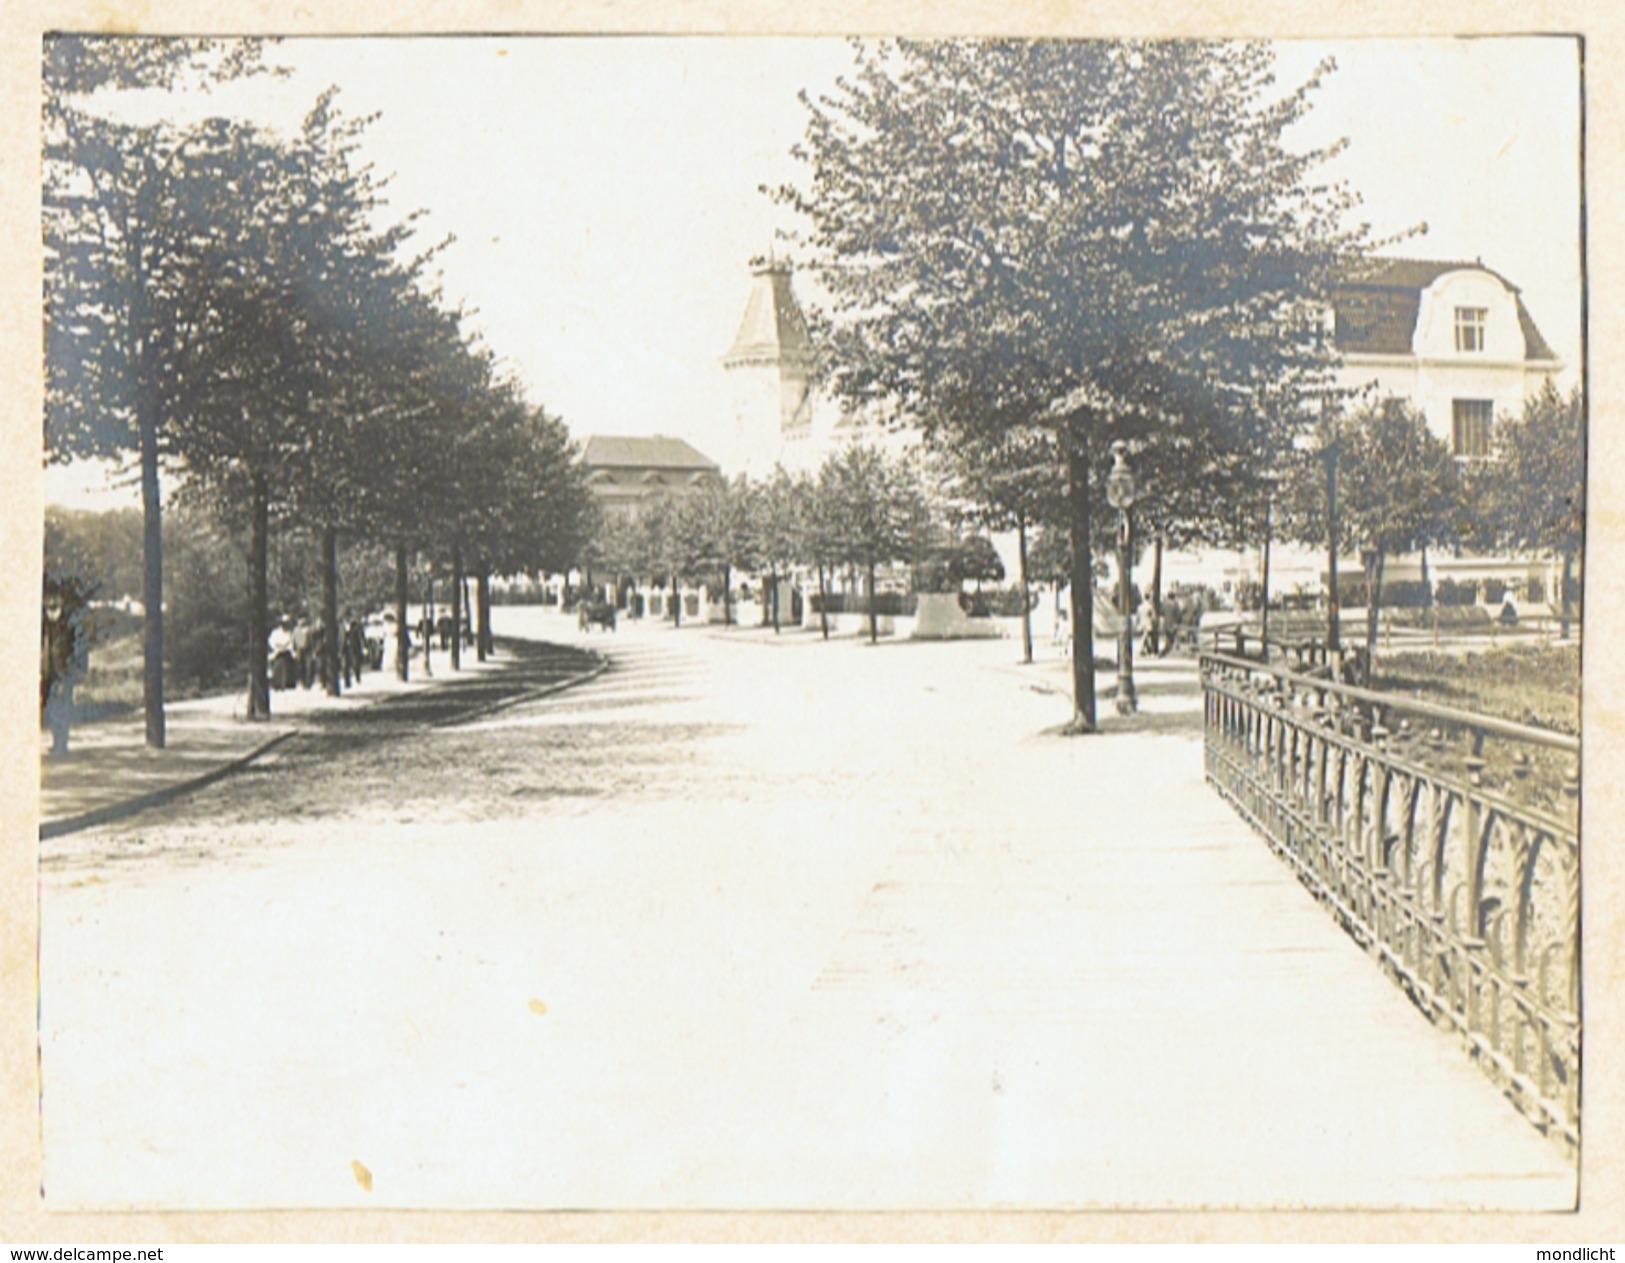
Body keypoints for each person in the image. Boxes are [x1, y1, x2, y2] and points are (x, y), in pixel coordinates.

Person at [269, 616, 296, 691]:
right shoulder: (275, 633)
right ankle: (277, 684)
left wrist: (290, 649)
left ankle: (288, 683)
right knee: (277, 668)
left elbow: (291, 643)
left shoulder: (288, 633)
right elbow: (271, 642)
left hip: (286, 652)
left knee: (287, 668)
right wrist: (277, 647)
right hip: (278, 652)